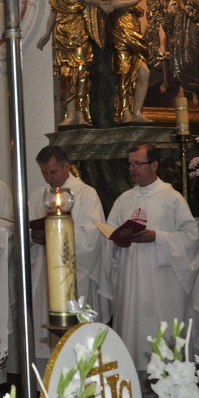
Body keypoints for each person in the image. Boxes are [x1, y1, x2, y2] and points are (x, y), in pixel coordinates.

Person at [106, 143, 198, 380]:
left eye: (138, 163)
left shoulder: (172, 198)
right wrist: (116, 241)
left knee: (161, 348)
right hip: (130, 284)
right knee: (132, 343)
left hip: (162, 287)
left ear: (154, 165)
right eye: (130, 164)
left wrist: (157, 237)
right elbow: (109, 236)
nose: (132, 169)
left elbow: (191, 237)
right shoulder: (123, 200)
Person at [28, 146, 110, 369]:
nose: (49, 178)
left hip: (76, 276)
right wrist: (34, 237)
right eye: (44, 173)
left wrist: (55, 234)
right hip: (43, 276)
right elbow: (27, 233)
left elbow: (92, 236)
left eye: (53, 172)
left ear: (67, 166)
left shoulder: (86, 194)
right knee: (45, 341)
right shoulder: (38, 195)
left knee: (77, 343)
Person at [37, 0, 113, 127]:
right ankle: (70, 114)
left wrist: (100, 4)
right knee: (66, 76)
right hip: (62, 38)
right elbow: (53, 15)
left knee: (81, 74)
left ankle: (80, 115)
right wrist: (46, 35)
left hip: (79, 37)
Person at [105, 0, 152, 124]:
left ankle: (137, 111)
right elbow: (113, 5)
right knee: (123, 74)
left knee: (144, 72)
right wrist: (134, 1)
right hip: (120, 35)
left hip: (134, 34)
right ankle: (125, 112)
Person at [159, 0, 199, 102]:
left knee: (190, 60)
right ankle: (181, 91)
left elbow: (195, 15)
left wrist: (184, 7)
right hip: (179, 32)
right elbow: (172, 12)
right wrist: (172, 8)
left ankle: (194, 93)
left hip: (190, 33)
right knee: (178, 57)